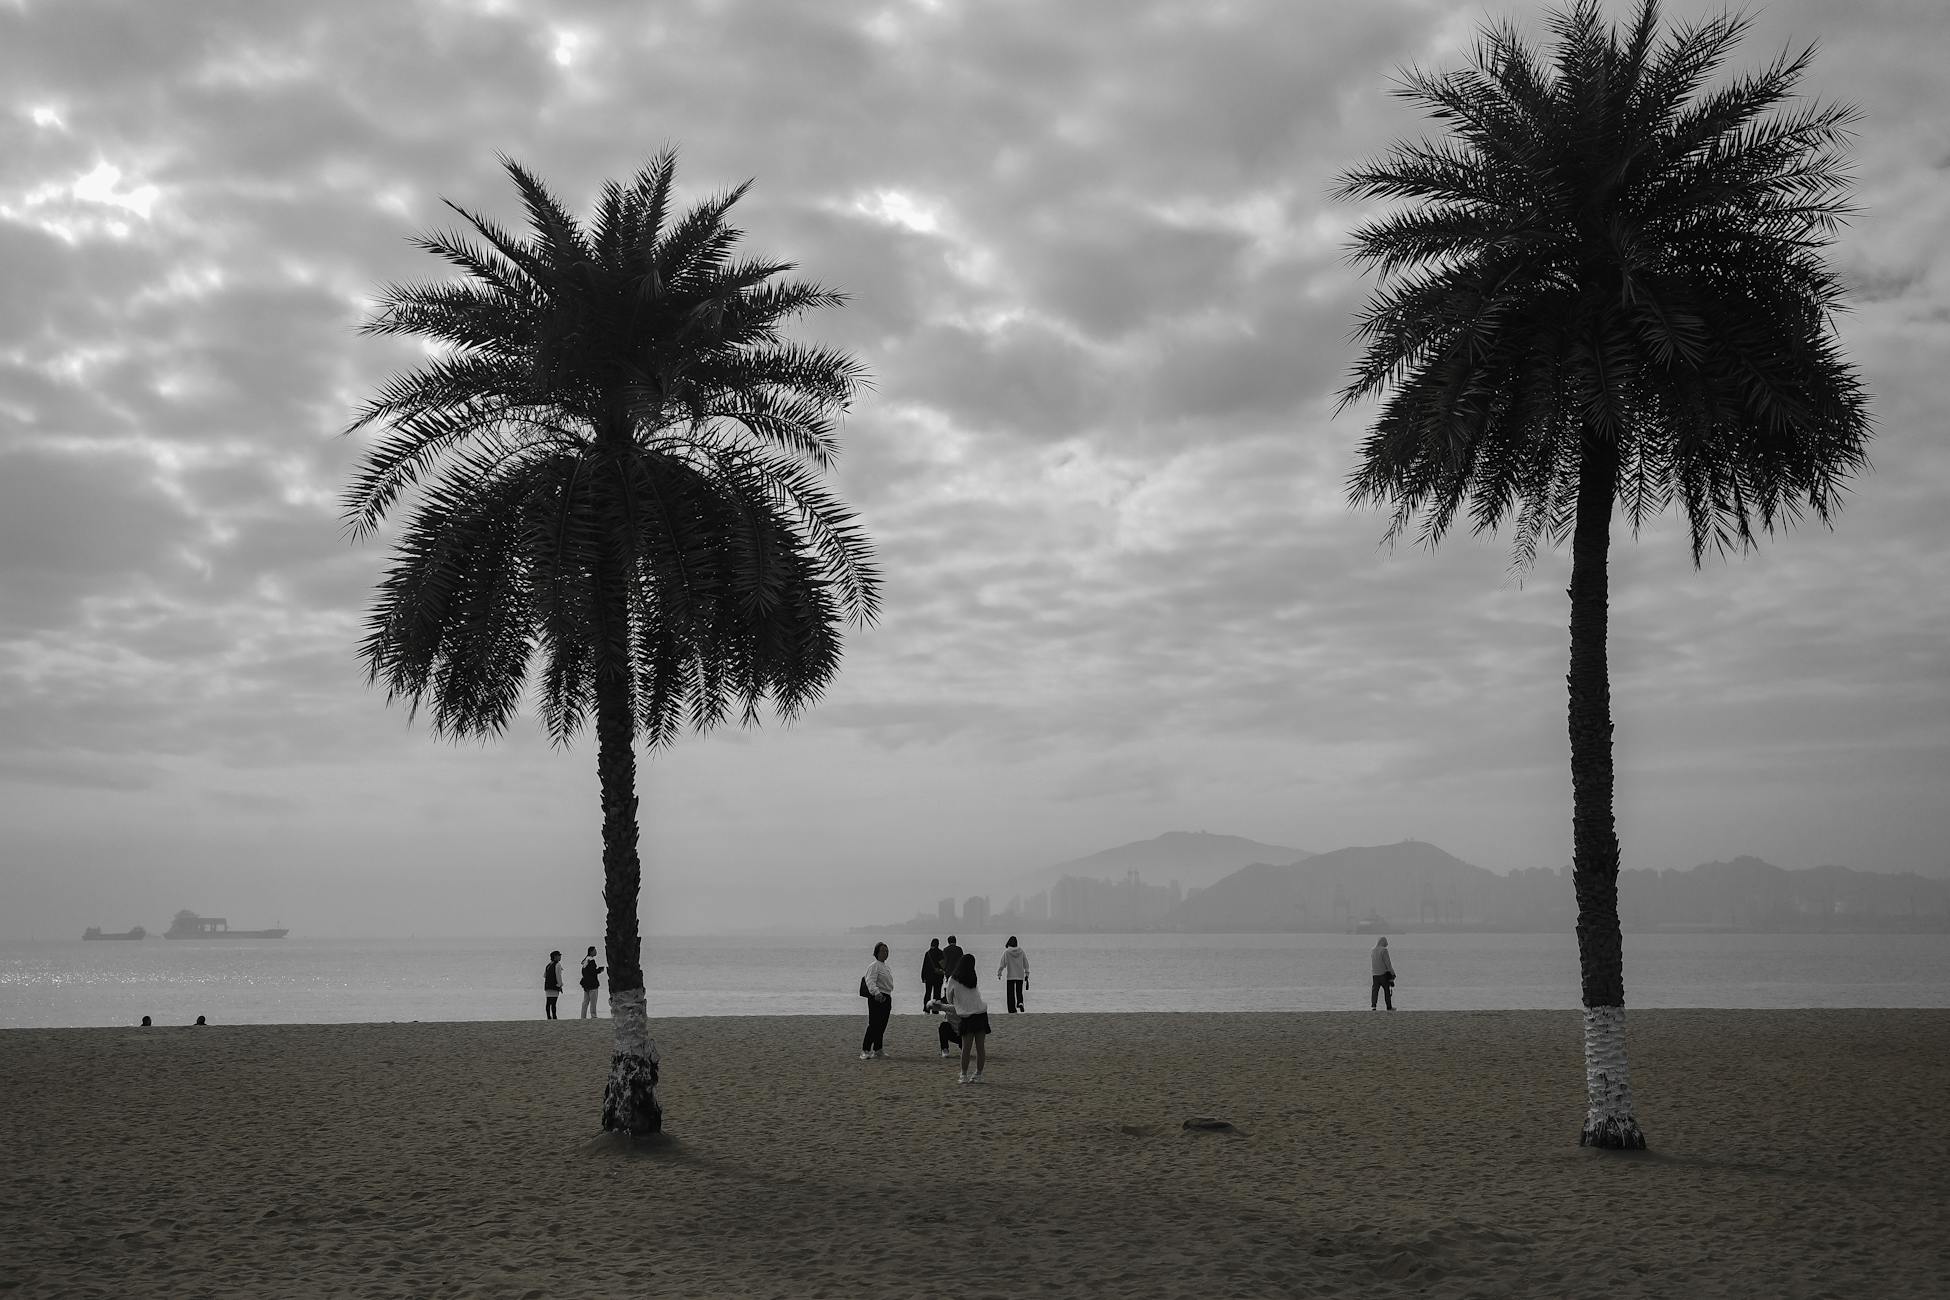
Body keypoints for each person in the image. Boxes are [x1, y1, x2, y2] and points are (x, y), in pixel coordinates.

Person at [940, 952, 991, 1084]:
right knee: (980, 1048)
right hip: (981, 1014)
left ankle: (963, 1075)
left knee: (966, 1048)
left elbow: (949, 998)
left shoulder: (953, 979)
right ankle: (979, 1074)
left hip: (968, 1017)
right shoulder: (973, 978)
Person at [860, 941, 895, 1059]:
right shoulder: (874, 965)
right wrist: (876, 993)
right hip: (877, 997)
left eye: (887, 951)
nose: (885, 953)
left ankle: (878, 1049)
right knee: (874, 1024)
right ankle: (865, 1050)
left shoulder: (886, 967)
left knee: (882, 1025)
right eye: (883, 951)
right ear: (877, 953)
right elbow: (870, 981)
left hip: (887, 996)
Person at [998, 936, 1030, 1013]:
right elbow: (1026, 962)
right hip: (1020, 975)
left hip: (1011, 976)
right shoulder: (1021, 951)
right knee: (1019, 991)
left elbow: (1003, 963)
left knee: (1010, 994)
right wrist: (1027, 973)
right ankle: (1020, 1002)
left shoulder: (1007, 952)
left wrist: (999, 973)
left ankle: (1012, 1010)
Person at [1371, 936, 1396, 1010]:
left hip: (1375, 974)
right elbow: (1388, 963)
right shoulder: (1384, 950)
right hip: (1383, 974)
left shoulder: (1373, 950)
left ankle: (1373, 1006)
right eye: (1386, 941)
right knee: (1387, 991)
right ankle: (1389, 1007)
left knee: (1375, 990)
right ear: (1383, 942)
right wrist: (1393, 973)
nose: (1387, 943)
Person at [579, 946, 605, 1019]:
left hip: (586, 984)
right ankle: (593, 1016)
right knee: (593, 1001)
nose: (596, 952)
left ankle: (583, 1016)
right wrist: (599, 970)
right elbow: (593, 972)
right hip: (592, 984)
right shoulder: (591, 960)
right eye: (595, 950)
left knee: (585, 1001)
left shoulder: (586, 960)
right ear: (591, 952)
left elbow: (584, 972)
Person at [921, 939, 945, 1012]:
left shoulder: (928, 953)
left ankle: (926, 1008)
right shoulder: (940, 953)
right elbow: (943, 965)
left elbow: (924, 966)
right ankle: (935, 1010)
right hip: (938, 977)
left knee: (928, 993)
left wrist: (923, 976)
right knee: (937, 994)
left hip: (928, 977)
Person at [544, 950, 564, 1020]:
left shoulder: (548, 965)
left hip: (547, 986)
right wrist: (560, 985)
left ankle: (548, 1017)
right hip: (554, 986)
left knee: (548, 1003)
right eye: (559, 955)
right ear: (555, 957)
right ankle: (554, 1017)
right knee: (554, 1004)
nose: (560, 957)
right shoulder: (558, 964)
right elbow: (558, 976)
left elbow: (545, 975)